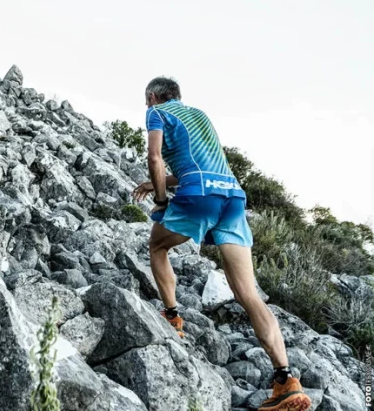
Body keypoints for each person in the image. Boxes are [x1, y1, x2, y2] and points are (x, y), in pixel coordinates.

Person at [132, 77, 311, 411]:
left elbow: (154, 158)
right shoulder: (199, 115)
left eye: (146, 100)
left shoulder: (156, 113)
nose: (146, 105)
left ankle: (172, 316)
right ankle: (286, 381)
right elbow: (197, 165)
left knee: (157, 246)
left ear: (153, 97)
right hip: (232, 198)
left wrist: (161, 200)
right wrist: (159, 182)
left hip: (200, 196)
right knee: (248, 294)